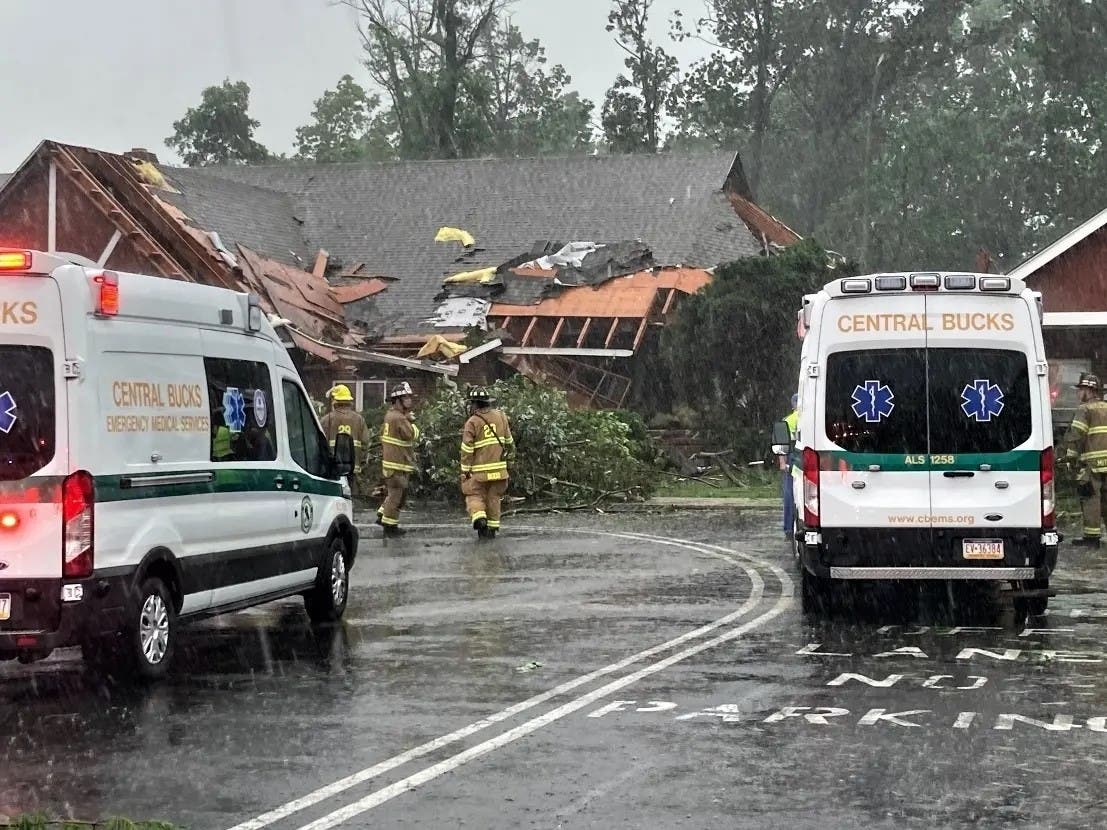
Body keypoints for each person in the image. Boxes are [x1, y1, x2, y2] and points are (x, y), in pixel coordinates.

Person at [460, 386, 514, 539]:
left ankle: (479, 518)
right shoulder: (501, 416)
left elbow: (467, 449)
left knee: (473, 494)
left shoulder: (472, 422)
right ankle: (492, 529)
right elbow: (509, 442)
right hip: (500, 472)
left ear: (475, 404)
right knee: (494, 498)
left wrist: (465, 470)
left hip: (480, 473)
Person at [1062, 372, 1107, 546]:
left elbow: (1076, 435)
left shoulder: (1084, 409)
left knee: (1091, 499)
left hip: (1092, 465)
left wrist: (1069, 458)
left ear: (1089, 390)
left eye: (1080, 390)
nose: (1078, 394)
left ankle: (1091, 538)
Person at [376, 382, 419, 536]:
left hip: (392, 464)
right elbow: (411, 435)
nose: (409, 400)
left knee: (394, 494)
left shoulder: (390, 415)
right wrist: (411, 423)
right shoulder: (399, 418)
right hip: (398, 465)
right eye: (406, 397)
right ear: (398, 400)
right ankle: (389, 526)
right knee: (397, 497)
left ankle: (383, 514)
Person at [321, 383, 372, 504]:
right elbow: (365, 441)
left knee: (334, 497)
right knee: (350, 496)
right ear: (349, 401)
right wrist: (362, 461)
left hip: (332, 466)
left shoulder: (326, 419)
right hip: (353, 466)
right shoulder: (359, 419)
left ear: (335, 401)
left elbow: (319, 442)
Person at [781, 393, 799, 538]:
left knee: (789, 494)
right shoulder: (812, 418)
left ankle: (788, 528)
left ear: (793, 405)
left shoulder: (788, 421)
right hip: (808, 457)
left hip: (792, 458)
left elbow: (782, 446)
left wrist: (783, 463)